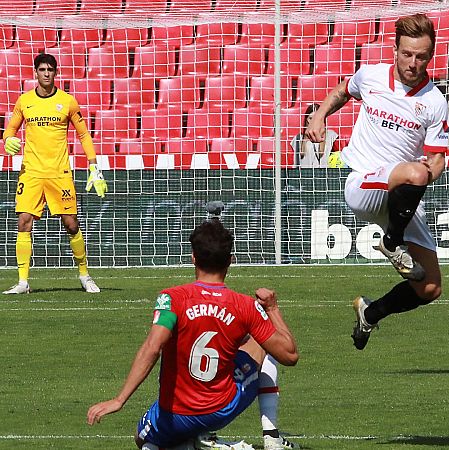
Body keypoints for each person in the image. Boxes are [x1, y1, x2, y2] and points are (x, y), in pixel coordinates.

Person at [86, 219, 299, 450]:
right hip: (220, 409)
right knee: (261, 341)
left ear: (193, 258)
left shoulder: (171, 299)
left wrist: (119, 400)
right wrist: (272, 309)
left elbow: (153, 347)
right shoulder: (245, 306)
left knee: (143, 439)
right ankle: (270, 436)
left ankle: (190, 443)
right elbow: (289, 355)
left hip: (174, 413)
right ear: (230, 261)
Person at [305, 13, 449, 350]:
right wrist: (320, 115)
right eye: (407, 54)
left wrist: (433, 170)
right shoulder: (370, 76)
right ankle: (392, 244)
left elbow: (437, 157)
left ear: (431, 55)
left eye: (422, 56)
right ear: (395, 49)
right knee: (414, 172)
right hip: (363, 185)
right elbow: (343, 90)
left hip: (402, 196)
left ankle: (371, 312)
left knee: (429, 288)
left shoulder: (434, 101)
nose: (414, 63)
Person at [2, 52, 107, 295]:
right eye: (42, 69)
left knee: (71, 225)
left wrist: (93, 165)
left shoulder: (68, 101)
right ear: (35, 72)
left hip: (59, 172)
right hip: (32, 173)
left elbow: (83, 134)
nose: (46, 73)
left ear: (55, 73)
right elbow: (10, 130)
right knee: (23, 222)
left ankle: (84, 275)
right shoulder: (24, 101)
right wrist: (8, 140)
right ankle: (22, 281)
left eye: (50, 70)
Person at [291, 103, 341, 168]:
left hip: (325, 176)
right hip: (305, 176)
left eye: (316, 118)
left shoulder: (331, 136)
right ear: (306, 119)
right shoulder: (298, 138)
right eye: (311, 118)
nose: (313, 121)